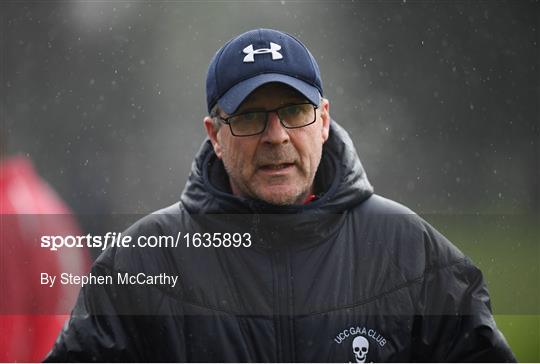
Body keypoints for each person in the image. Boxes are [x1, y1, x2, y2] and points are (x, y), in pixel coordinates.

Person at [45, 28, 516, 362]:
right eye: (249, 117)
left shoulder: (415, 255)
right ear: (213, 133)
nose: (276, 136)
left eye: (294, 111)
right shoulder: (140, 265)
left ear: (324, 119)